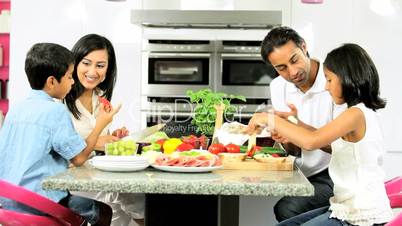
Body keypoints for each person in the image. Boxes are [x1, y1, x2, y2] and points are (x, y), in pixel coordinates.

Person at [249, 43, 393, 226]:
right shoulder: (354, 112)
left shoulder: (355, 114)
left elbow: (311, 142)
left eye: (329, 80)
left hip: (361, 216)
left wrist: (267, 118)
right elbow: (325, 139)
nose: (325, 87)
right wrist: (296, 123)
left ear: (348, 78)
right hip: (345, 208)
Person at [0, 43, 120, 225]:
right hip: (40, 201)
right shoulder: (55, 111)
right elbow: (79, 159)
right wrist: (100, 125)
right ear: (51, 81)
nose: (73, 82)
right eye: (70, 77)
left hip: (8, 199)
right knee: (103, 211)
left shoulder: (16, 109)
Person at [255, 26, 346, 222]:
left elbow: (345, 147)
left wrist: (297, 127)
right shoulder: (278, 86)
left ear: (304, 46)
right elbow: (294, 150)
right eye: (281, 68)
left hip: (337, 173)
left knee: (288, 209)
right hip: (302, 173)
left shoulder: (334, 80)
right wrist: (287, 140)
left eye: (294, 60)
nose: (292, 72)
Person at [64, 34, 145, 226]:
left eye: (100, 65)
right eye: (86, 63)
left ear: (108, 70)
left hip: (97, 174)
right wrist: (98, 139)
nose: (93, 71)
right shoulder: (61, 99)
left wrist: (111, 138)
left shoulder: (100, 99)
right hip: (72, 180)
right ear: (74, 64)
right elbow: (59, 152)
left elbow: (98, 140)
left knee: (136, 195)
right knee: (130, 197)